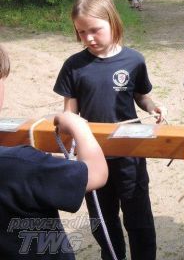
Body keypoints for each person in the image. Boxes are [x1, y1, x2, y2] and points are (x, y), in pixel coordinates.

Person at [54, 0, 166, 260]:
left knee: (138, 216)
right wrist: (71, 124)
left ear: (113, 22)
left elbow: (141, 95)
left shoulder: (134, 60)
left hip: (130, 154)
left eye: (95, 30)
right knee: (103, 219)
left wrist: (153, 107)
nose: (88, 38)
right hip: (92, 157)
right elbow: (69, 112)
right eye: (82, 32)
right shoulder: (74, 66)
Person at [0, 44, 108, 259]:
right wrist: (78, 126)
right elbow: (97, 173)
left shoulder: (23, 163)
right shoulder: (21, 165)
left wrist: (43, 162)